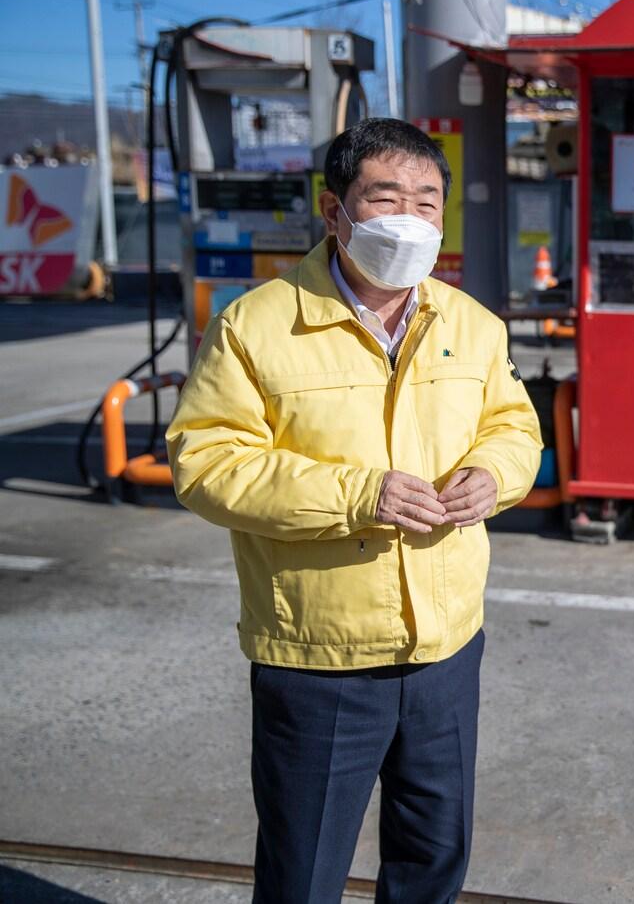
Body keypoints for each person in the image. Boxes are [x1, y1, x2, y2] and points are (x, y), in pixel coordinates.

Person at [168, 118, 542, 903]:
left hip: (445, 647)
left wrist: (493, 472)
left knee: (434, 858)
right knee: (304, 873)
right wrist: (357, 494)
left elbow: (514, 426)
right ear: (333, 209)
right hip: (319, 655)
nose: (410, 218)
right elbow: (206, 462)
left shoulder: (471, 324)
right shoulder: (256, 325)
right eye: (386, 197)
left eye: (427, 201)